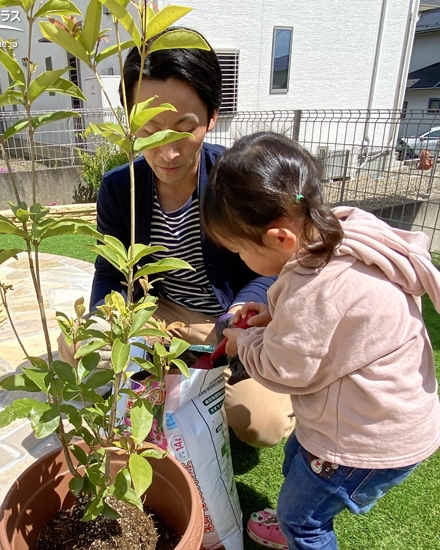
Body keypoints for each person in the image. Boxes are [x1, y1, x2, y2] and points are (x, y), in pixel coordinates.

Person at [201, 131, 440, 550]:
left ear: (279, 239)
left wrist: (243, 343)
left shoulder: (318, 290)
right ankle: (299, 509)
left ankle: (297, 527)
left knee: (304, 519)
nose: (241, 261)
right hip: (379, 413)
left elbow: (285, 369)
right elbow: (337, 318)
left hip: (363, 440)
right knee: (297, 461)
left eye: (240, 251)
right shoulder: (342, 232)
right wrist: (273, 314)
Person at [58, 28, 295, 448]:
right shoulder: (120, 187)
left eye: (184, 128)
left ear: (212, 116)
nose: (167, 152)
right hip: (160, 314)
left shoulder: (234, 181)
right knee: (74, 345)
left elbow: (273, 266)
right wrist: (107, 320)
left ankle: (212, 386)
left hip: (231, 318)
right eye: (150, 129)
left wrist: (237, 317)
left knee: (263, 422)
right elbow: (111, 272)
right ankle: (172, 383)